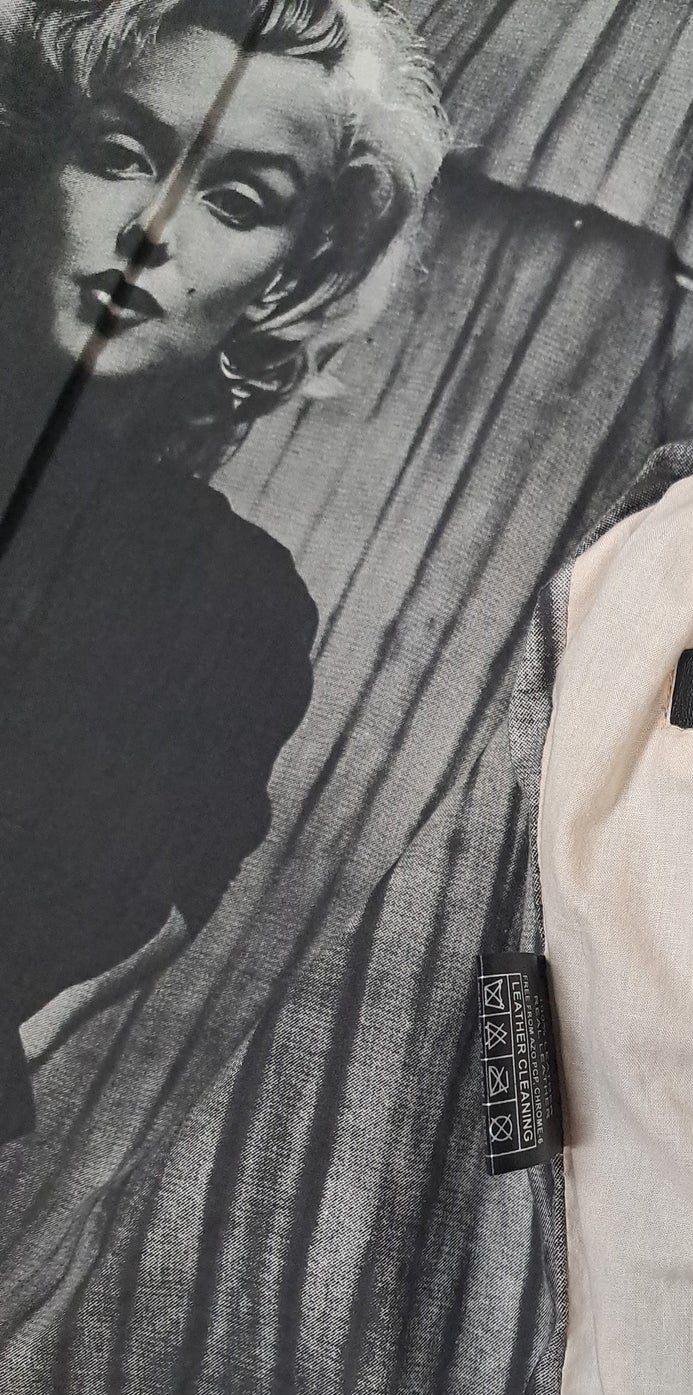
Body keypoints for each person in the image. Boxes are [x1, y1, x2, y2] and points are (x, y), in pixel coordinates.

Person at [0, 0, 449, 1140]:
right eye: (119, 155)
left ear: (289, 282)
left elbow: (126, 939)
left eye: (238, 204)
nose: (155, 229)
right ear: (24, 152)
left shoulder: (232, 616)